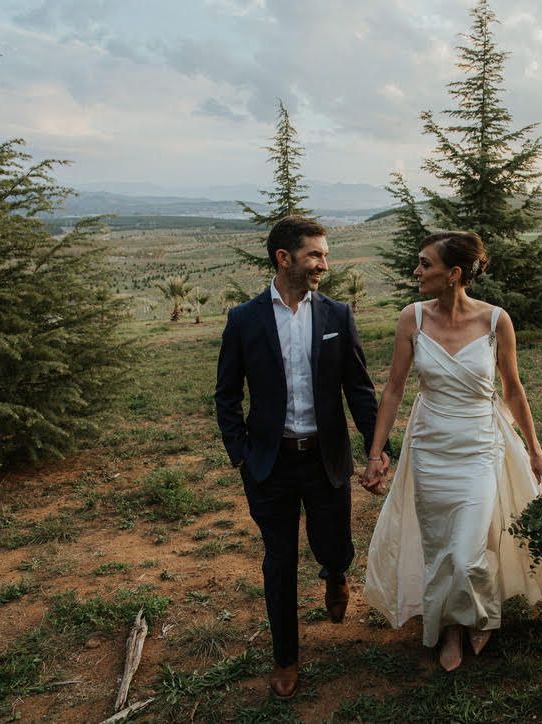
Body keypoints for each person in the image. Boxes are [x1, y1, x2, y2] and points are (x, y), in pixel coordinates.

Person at [360, 231, 542, 672]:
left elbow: (512, 388)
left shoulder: (496, 321)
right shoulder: (411, 319)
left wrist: (534, 449)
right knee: (440, 549)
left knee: (467, 549)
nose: (416, 271)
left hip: (478, 446)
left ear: (454, 274)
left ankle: (483, 614)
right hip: (430, 447)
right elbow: (394, 389)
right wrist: (377, 452)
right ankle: (451, 627)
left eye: (425, 264)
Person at [214, 215, 388, 699]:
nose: (323, 265)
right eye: (315, 255)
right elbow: (226, 396)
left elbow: (359, 387)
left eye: (325, 255)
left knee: (333, 544)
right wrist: (241, 454)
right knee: (279, 561)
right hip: (268, 465)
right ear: (283, 258)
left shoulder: (337, 315)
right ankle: (285, 657)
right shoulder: (244, 320)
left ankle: (335, 575)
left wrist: (376, 448)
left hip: (326, 459)